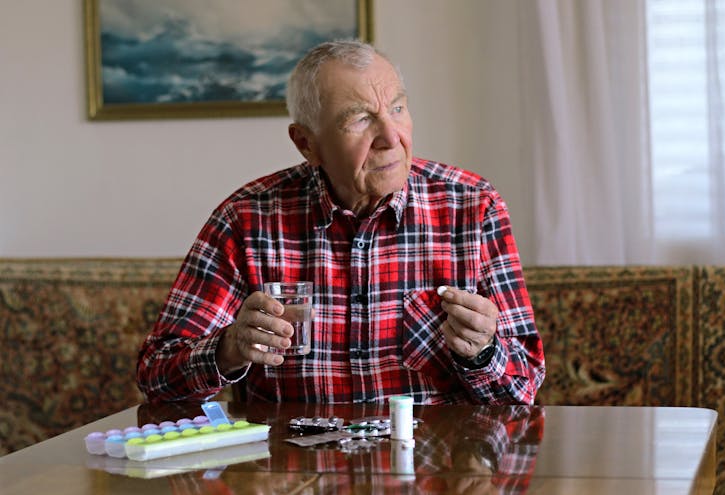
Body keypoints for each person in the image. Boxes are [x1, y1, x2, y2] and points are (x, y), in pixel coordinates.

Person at [137, 39, 545, 405]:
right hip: (294, 478)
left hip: (431, 471)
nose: (390, 136)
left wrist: (484, 352)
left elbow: (524, 384)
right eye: (359, 119)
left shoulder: (472, 207)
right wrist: (229, 348)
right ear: (306, 144)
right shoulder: (247, 219)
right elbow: (157, 375)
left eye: (397, 108)